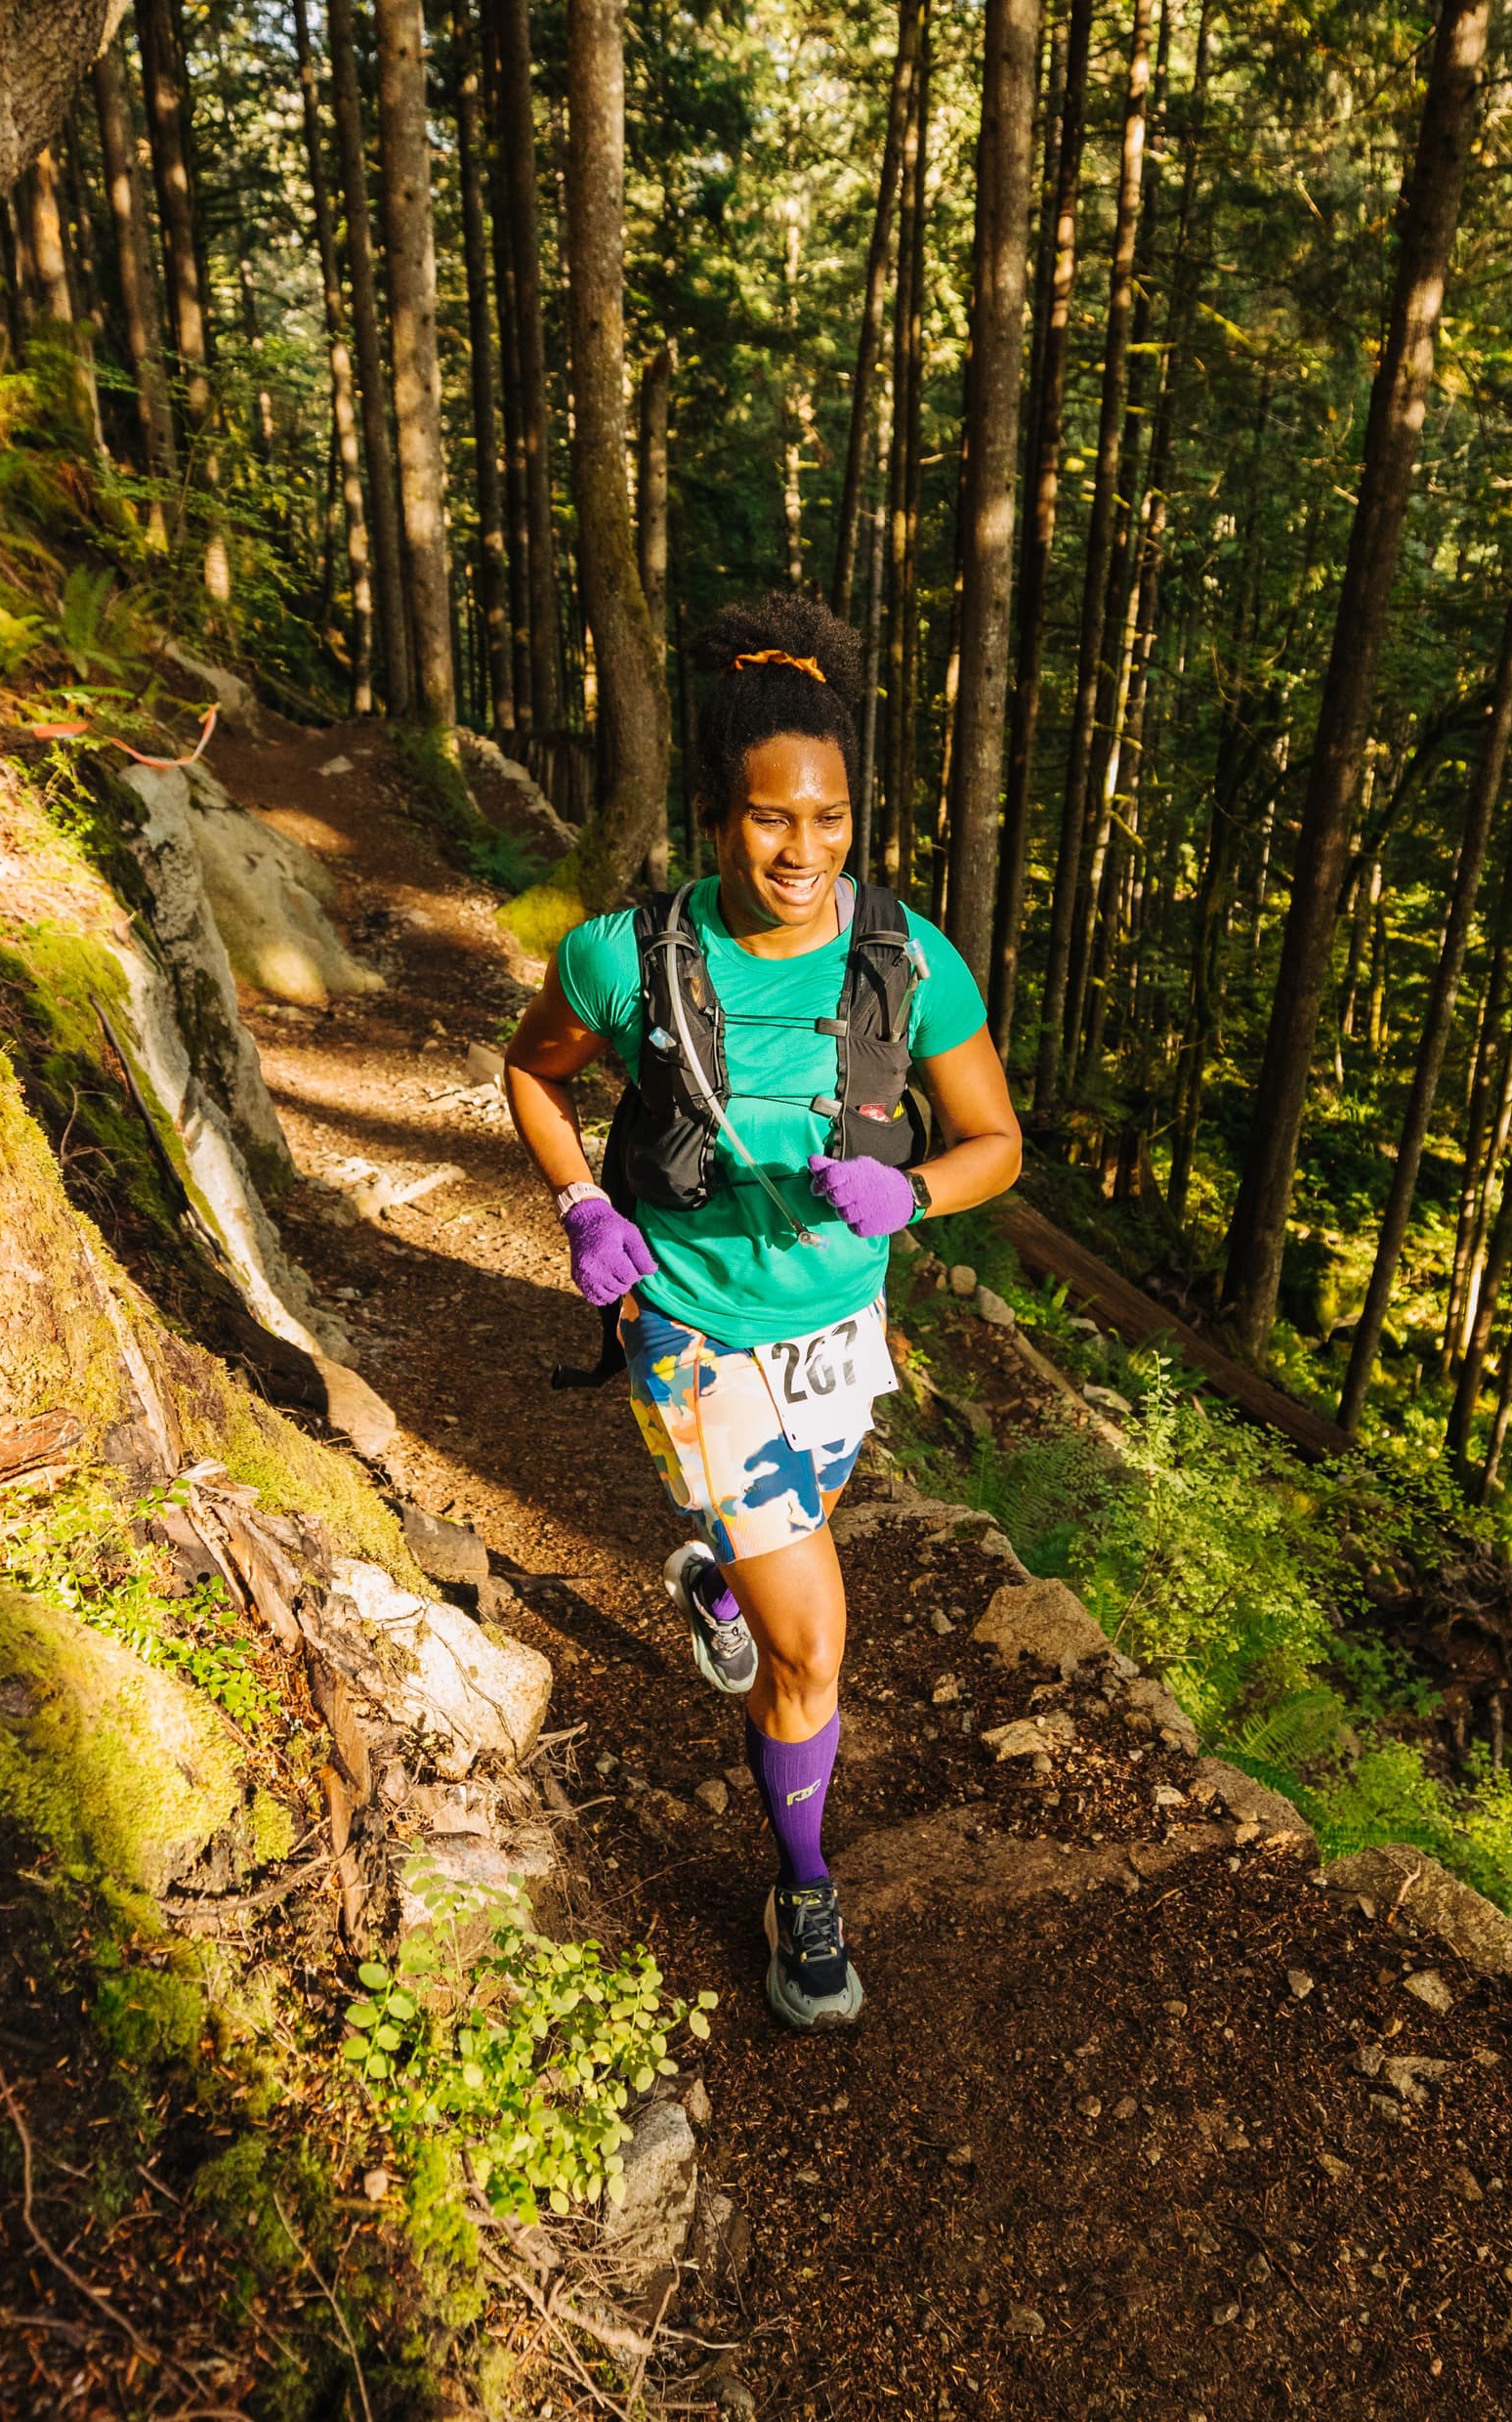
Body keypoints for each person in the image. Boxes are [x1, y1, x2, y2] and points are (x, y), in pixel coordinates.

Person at [500, 593, 1022, 2030]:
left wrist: (911, 1197)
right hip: (690, 1321)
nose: (804, 854)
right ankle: (801, 1882)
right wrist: (583, 1207)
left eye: (833, 819)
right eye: (770, 820)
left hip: (839, 1323)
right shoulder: (625, 956)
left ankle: (723, 1578)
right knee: (814, 1646)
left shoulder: (907, 965)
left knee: (800, 1533)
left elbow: (995, 1142)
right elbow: (533, 1073)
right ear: (716, 815)